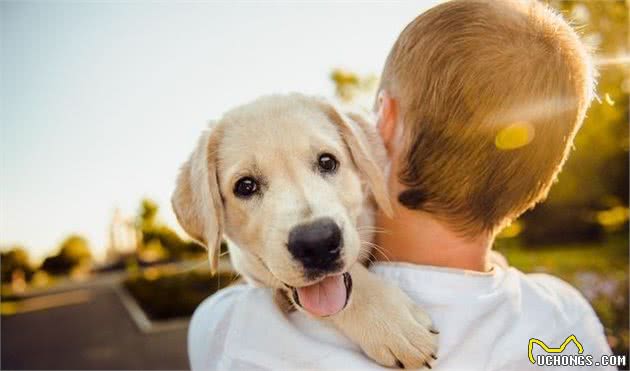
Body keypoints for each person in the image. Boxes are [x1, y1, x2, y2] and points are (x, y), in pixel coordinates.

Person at [188, 1, 615, 370]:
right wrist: (358, 298)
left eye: (325, 162)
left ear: (383, 122)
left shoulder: (232, 332)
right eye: (247, 186)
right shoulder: (566, 318)